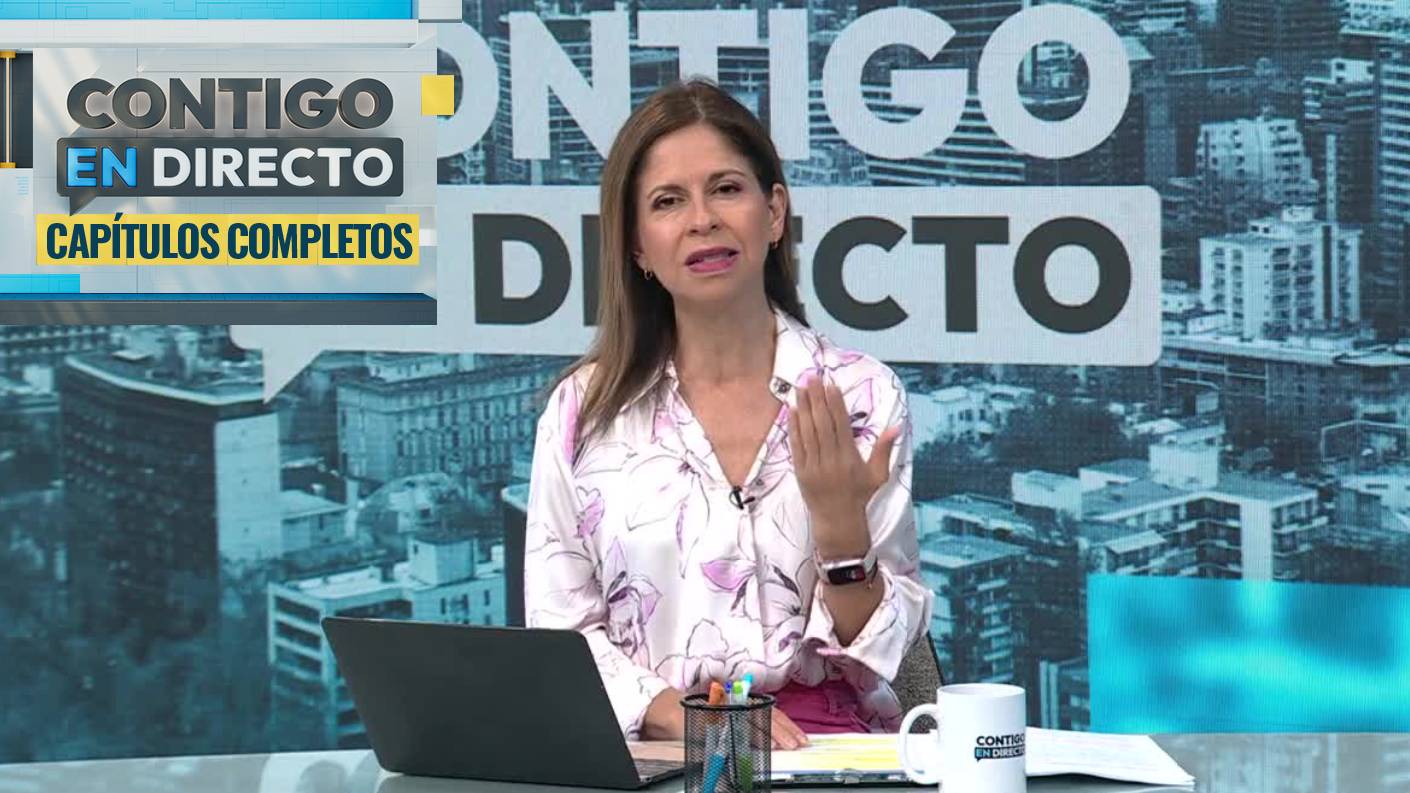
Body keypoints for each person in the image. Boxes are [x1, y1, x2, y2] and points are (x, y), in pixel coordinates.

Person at [523, 78, 932, 749]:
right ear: (636, 245)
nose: (702, 219)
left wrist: (842, 541)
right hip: (661, 752)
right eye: (667, 201)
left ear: (773, 213)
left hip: (825, 753)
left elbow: (891, 658)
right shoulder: (582, 411)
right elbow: (560, 636)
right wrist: (685, 715)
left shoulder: (861, 394)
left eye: (726, 189)